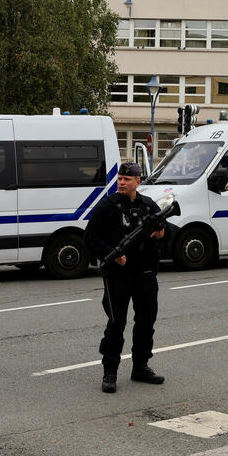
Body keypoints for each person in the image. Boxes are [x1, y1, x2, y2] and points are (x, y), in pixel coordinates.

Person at [84, 162, 167, 394]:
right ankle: (110, 370)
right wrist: (111, 254)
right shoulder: (107, 207)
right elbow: (90, 237)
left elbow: (164, 230)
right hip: (117, 275)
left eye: (127, 179)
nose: (121, 182)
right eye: (120, 178)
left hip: (145, 274)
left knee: (146, 321)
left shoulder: (148, 206)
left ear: (137, 182)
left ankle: (140, 366)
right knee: (116, 323)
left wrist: (160, 232)